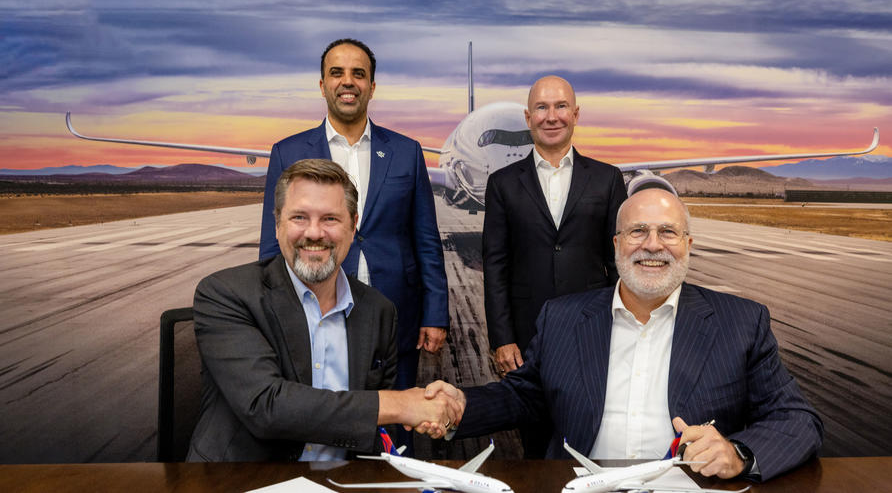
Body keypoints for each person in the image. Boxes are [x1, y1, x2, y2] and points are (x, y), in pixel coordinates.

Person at [426, 188, 823, 481]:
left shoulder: (741, 322)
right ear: (616, 245)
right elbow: (525, 396)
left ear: (688, 244)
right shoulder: (563, 318)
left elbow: (798, 420)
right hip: (582, 486)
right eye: (638, 232)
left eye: (668, 231)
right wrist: (458, 405)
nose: (653, 245)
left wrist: (738, 453)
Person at [188, 160, 456, 462]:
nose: (314, 233)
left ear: (353, 227)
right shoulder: (226, 294)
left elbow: (380, 434)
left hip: (347, 481)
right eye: (299, 217)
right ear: (277, 225)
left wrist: (433, 410)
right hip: (244, 480)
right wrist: (401, 405)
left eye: (330, 219)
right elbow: (266, 406)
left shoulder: (379, 312)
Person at [258, 39, 449, 395]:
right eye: (337, 73)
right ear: (322, 85)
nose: (348, 82)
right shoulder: (288, 152)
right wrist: (271, 314)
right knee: (325, 411)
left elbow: (426, 239)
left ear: (372, 87)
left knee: (395, 419)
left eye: (358, 74)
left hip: (395, 310)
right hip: (313, 310)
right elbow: (273, 243)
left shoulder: (406, 152)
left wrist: (435, 313)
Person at [482, 75, 626, 456]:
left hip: (595, 332)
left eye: (560, 106)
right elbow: (495, 265)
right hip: (528, 338)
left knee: (594, 439)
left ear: (575, 114)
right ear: (528, 118)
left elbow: (620, 263)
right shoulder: (502, 184)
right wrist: (502, 338)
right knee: (535, 444)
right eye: (542, 108)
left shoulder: (608, 180)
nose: (552, 116)